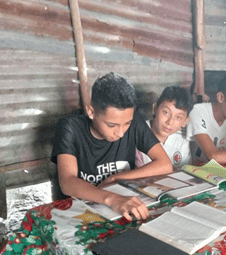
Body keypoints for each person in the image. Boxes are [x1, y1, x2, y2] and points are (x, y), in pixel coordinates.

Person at [51, 73, 173, 221]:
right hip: (82, 211)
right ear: (91, 111)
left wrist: (116, 177)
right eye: (111, 125)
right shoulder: (70, 127)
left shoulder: (135, 122)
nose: (120, 133)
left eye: (126, 123)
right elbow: (67, 182)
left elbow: (165, 164)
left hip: (122, 207)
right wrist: (112, 199)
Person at [135, 86, 193, 170]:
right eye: (166, 112)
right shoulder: (139, 131)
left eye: (178, 117)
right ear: (155, 108)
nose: (169, 122)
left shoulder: (182, 138)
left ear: (185, 121)